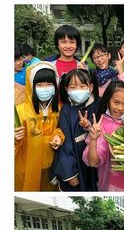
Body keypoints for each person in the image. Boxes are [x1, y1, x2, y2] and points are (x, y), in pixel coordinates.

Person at [14, 62, 64, 191]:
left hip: (50, 167)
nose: (45, 88)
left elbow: (60, 129)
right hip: (25, 167)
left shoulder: (59, 109)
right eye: (40, 84)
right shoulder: (19, 111)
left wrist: (58, 136)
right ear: (31, 86)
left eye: (49, 84)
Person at [51, 68, 99, 191]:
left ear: (91, 87)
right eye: (72, 87)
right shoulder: (66, 110)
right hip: (76, 165)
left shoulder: (99, 105)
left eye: (82, 86)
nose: (78, 90)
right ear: (66, 89)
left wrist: (89, 126)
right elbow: (66, 144)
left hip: (97, 162)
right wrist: (69, 173)